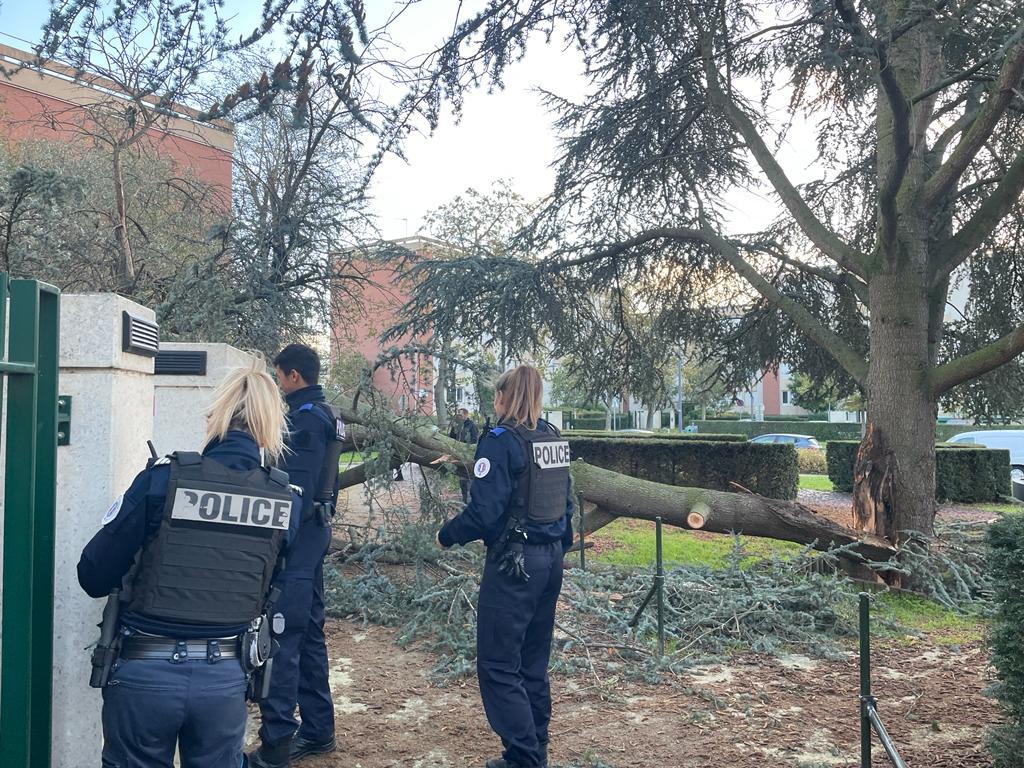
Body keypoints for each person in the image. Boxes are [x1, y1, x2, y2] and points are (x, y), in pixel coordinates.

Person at [78, 363, 302, 768]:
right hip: (225, 679)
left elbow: (92, 576)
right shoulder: (286, 501)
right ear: (272, 426)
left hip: (144, 674)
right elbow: (272, 586)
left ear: (213, 418)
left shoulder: (162, 480)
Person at [436, 365, 574, 768]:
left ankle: (524, 758)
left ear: (501, 399)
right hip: (550, 562)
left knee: (498, 665)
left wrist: (447, 535)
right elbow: (566, 505)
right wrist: (557, 550)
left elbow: (483, 512)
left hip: (515, 565)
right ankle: (533, 750)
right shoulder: (551, 437)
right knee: (532, 663)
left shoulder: (499, 441)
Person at [249, 343, 343, 768]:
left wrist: (273, 546)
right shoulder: (327, 413)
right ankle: (319, 728)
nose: (277, 383)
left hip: (299, 544)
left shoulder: (305, 419)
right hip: (313, 539)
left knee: (284, 638)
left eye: (278, 375)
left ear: (292, 376)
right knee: (307, 634)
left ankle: (278, 745)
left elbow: (295, 495)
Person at [448, 406, 480, 501]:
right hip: (458, 455)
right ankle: (464, 499)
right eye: (458, 415)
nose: (459, 417)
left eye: (461, 415)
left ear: (466, 415)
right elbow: (451, 438)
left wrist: (466, 446)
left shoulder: (471, 426)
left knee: (468, 479)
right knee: (462, 480)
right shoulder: (457, 425)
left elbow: (474, 440)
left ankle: (469, 501)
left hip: (468, 455)